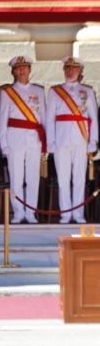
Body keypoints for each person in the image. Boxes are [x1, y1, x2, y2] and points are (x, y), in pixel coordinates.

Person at [46, 56, 99, 224]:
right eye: (67, 68)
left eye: (74, 68)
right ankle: (66, 213)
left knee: (79, 179)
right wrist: (51, 142)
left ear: (80, 71)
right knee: (63, 179)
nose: (70, 71)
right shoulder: (55, 91)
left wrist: (93, 141)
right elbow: (49, 119)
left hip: (81, 140)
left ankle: (78, 214)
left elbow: (93, 119)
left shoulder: (87, 91)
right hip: (61, 140)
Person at [0, 56, 46, 224]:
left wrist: (46, 141)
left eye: (25, 67)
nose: (22, 71)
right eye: (18, 68)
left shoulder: (39, 91)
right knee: (16, 177)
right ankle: (17, 212)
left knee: (33, 177)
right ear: (14, 71)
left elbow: (43, 117)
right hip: (14, 138)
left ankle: (31, 212)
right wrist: (3, 143)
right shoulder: (7, 92)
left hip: (34, 139)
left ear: (30, 70)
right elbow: (2, 119)